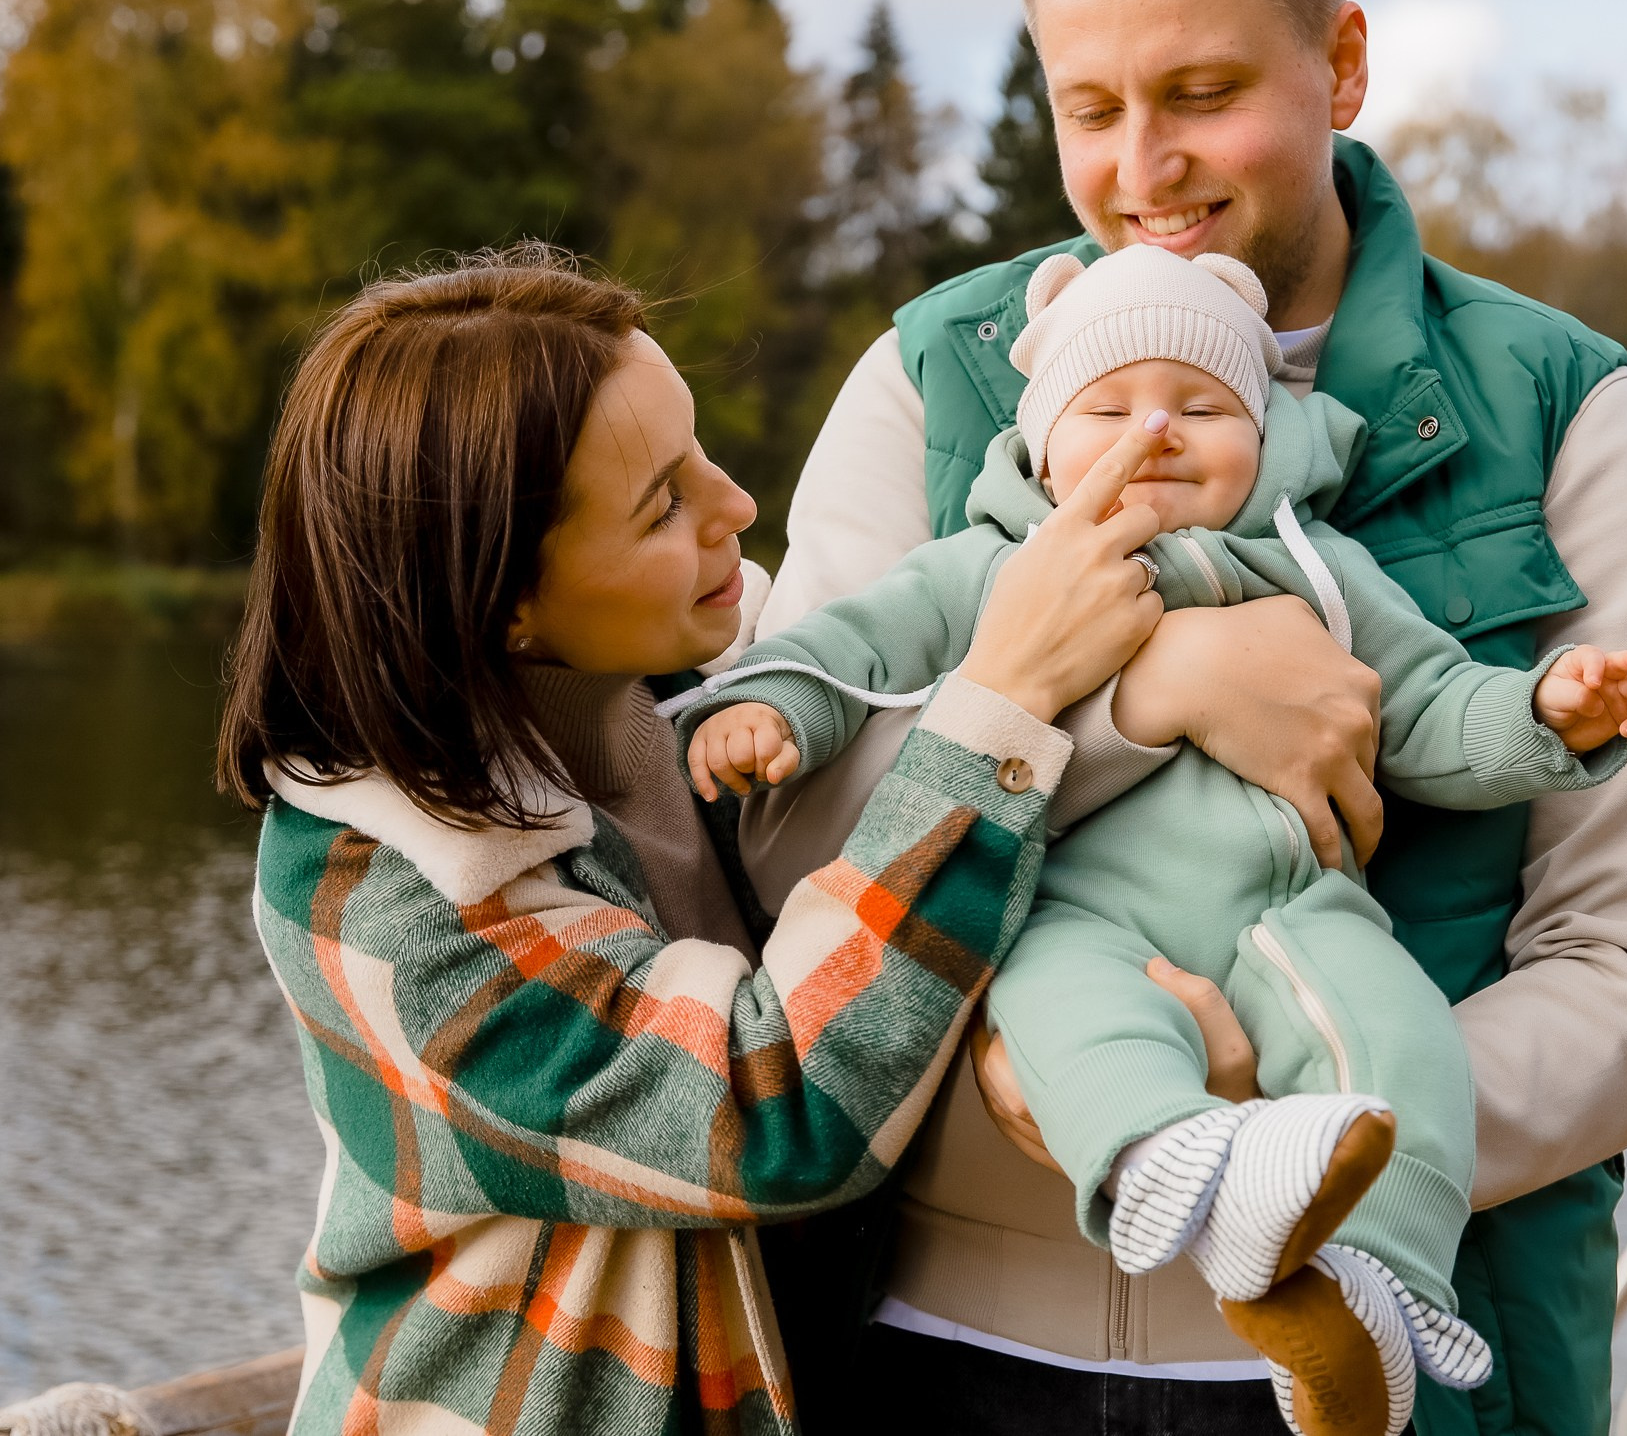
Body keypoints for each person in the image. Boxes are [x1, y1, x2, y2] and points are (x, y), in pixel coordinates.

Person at [741, 0, 1627, 1432]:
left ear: (1340, 63)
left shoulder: (1564, 414)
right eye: (1090, 107)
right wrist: (1151, 697)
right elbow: (783, 848)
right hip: (941, 1354)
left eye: (1201, 93)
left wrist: (1284, 1130)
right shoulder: (929, 381)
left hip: (1395, 1368)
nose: (1145, 168)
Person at [681, 243, 1627, 1436]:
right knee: (1068, 1024)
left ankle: (1379, 1298)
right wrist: (768, 708)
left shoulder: (1322, 577)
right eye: (1108, 406)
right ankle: (1162, 1169)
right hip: (1070, 912)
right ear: (1043, 441)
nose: (1157, 431)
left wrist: (1545, 711)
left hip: (1295, 912)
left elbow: (1429, 711)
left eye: (1203, 405)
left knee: (1402, 1051)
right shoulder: (990, 568)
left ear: (1264, 433)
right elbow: (854, 655)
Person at [212, 248, 1188, 1436]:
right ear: (504, 600)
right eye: (663, 502)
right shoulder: (389, 896)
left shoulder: (689, 692)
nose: (735, 505)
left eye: (702, 452)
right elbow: (775, 1112)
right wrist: (1009, 697)